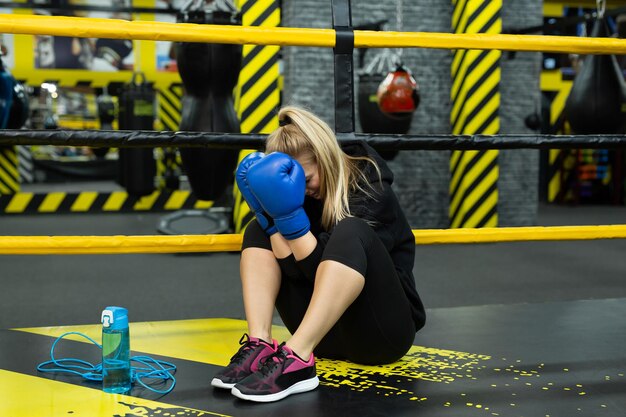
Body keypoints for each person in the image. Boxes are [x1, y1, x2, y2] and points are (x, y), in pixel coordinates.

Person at [211, 105, 426, 402]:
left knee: (352, 231)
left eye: (307, 180)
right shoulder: (303, 193)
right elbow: (295, 272)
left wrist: (289, 220)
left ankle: (297, 359)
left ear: (325, 159)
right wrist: (271, 222)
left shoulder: (370, 188)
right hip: (323, 337)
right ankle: (260, 345)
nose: (302, 191)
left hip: (380, 334)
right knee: (257, 230)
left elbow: (319, 271)